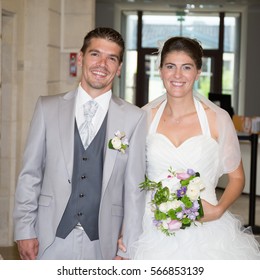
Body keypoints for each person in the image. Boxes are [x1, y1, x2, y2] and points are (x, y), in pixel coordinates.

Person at [120, 36, 260, 259]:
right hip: (150, 226)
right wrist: (123, 225)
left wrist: (219, 209)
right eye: (170, 67)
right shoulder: (144, 117)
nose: (177, 75)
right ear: (161, 70)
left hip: (206, 225)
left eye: (186, 67)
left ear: (198, 72)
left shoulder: (217, 119)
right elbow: (128, 176)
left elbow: (236, 178)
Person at [13, 27, 147, 260]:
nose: (102, 64)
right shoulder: (47, 108)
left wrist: (128, 246)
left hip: (103, 241)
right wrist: (24, 229)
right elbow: (30, 174)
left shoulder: (134, 118)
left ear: (119, 69)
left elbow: (134, 190)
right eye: (95, 54)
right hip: (50, 236)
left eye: (111, 58)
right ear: (82, 58)